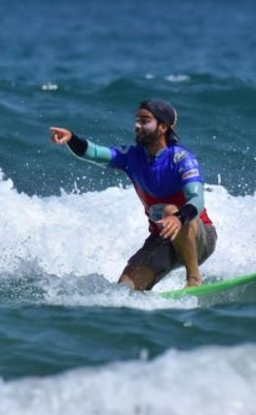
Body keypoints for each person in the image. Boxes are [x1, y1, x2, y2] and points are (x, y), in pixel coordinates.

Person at [49, 99, 216, 291]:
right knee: (124, 289)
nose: (137, 125)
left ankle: (194, 278)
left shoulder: (182, 159)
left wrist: (178, 218)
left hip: (198, 237)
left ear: (163, 127)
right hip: (162, 239)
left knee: (171, 210)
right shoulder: (132, 157)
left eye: (145, 120)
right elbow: (94, 153)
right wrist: (71, 138)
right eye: (137, 120)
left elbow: (197, 200)